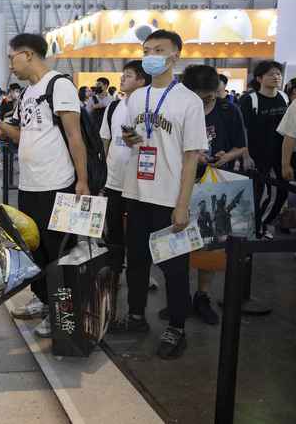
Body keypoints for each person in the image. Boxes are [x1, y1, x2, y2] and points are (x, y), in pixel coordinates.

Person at [106, 30, 207, 360]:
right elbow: (133, 133)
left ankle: (176, 327)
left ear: (175, 56)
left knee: (174, 267)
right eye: (146, 49)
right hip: (135, 192)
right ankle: (136, 316)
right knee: (135, 260)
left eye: (159, 50)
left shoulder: (188, 101)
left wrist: (182, 205)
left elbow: (192, 155)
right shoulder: (137, 97)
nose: (150, 55)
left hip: (168, 198)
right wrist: (132, 137)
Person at [0, 33, 89, 338]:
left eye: (11, 58)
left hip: (57, 184)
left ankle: (62, 310)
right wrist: (0, 127)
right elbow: (27, 136)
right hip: (30, 185)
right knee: (34, 248)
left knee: (58, 249)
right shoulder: (27, 92)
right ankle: (44, 299)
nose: (11, 65)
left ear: (27, 54)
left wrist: (82, 180)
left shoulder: (58, 85)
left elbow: (75, 136)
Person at [174, 64, 246, 325]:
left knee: (210, 245)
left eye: (210, 98)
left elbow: (240, 146)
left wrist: (226, 156)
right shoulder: (176, 108)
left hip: (214, 187)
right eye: (198, 97)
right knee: (178, 243)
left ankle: (201, 296)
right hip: (178, 184)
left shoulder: (229, 111)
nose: (204, 103)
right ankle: (177, 297)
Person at [99, 60, 150, 272]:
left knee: (139, 232)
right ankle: (116, 269)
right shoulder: (113, 107)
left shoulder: (149, 108)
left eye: (127, 75)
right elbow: (105, 141)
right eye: (123, 75)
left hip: (141, 182)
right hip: (114, 180)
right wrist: (103, 175)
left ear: (141, 81)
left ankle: (138, 273)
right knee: (114, 230)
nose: (121, 79)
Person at [238, 60, 289, 239]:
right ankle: (255, 228)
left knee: (281, 193)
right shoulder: (251, 100)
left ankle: (262, 224)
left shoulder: (284, 97)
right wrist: (245, 156)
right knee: (256, 194)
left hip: (280, 154)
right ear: (259, 78)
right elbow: (243, 131)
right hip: (257, 155)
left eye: (278, 74)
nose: (276, 77)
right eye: (271, 74)